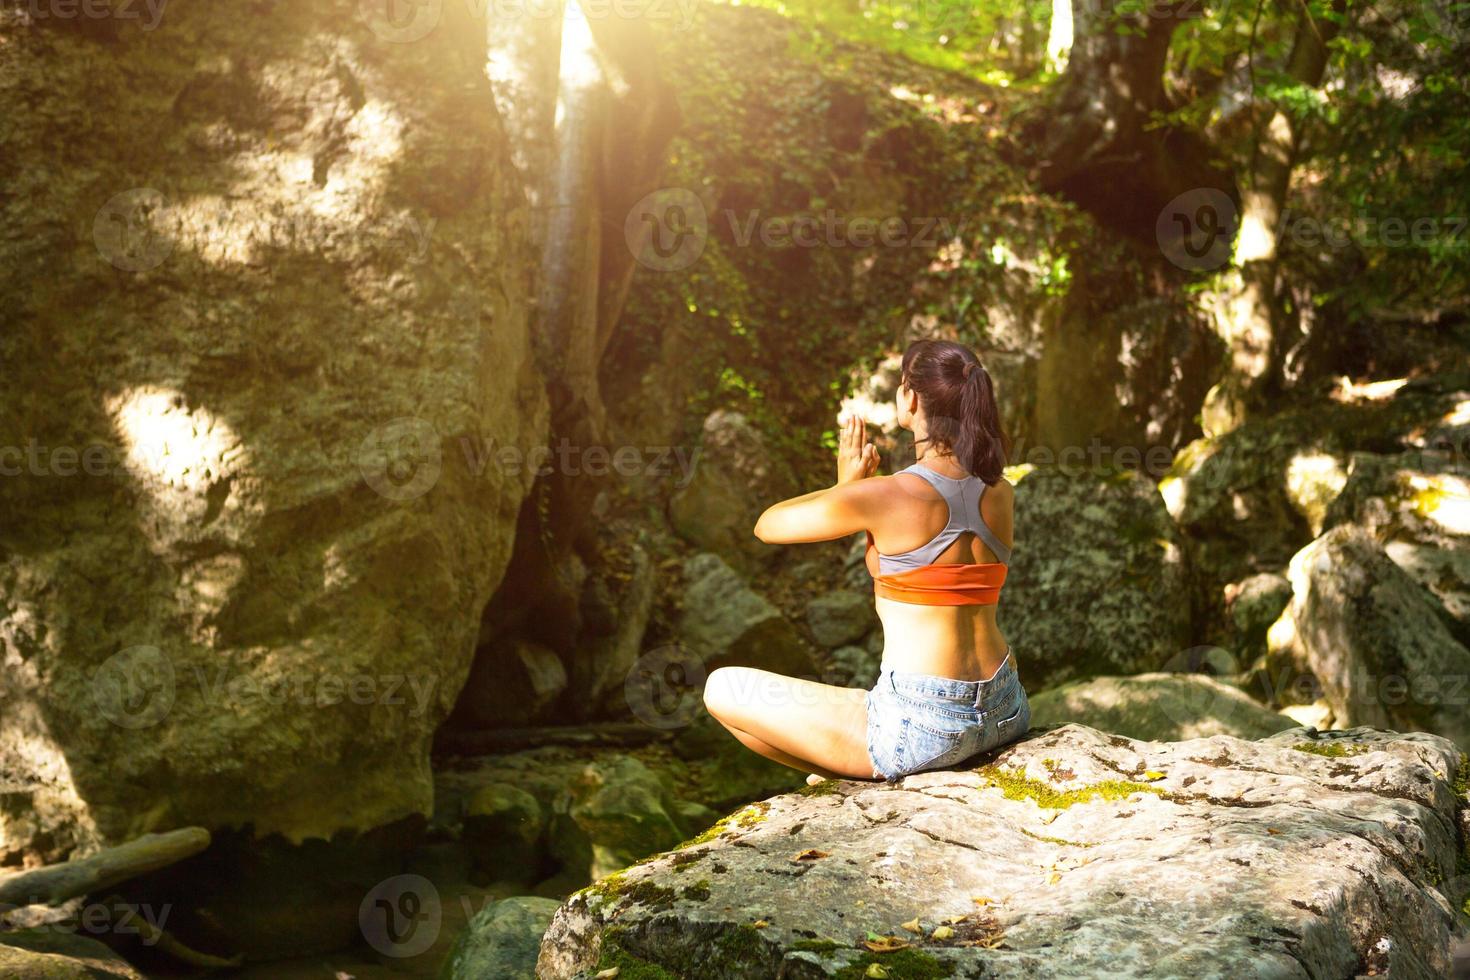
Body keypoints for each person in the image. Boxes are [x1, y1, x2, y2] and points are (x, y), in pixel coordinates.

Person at [701, 338, 1030, 781]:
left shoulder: (887, 495)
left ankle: (857, 774)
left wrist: (846, 486)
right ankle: (851, 772)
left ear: (909, 398)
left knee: (721, 687)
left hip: (923, 725)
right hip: (1005, 707)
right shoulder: (1000, 492)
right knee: (850, 702)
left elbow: (768, 525)